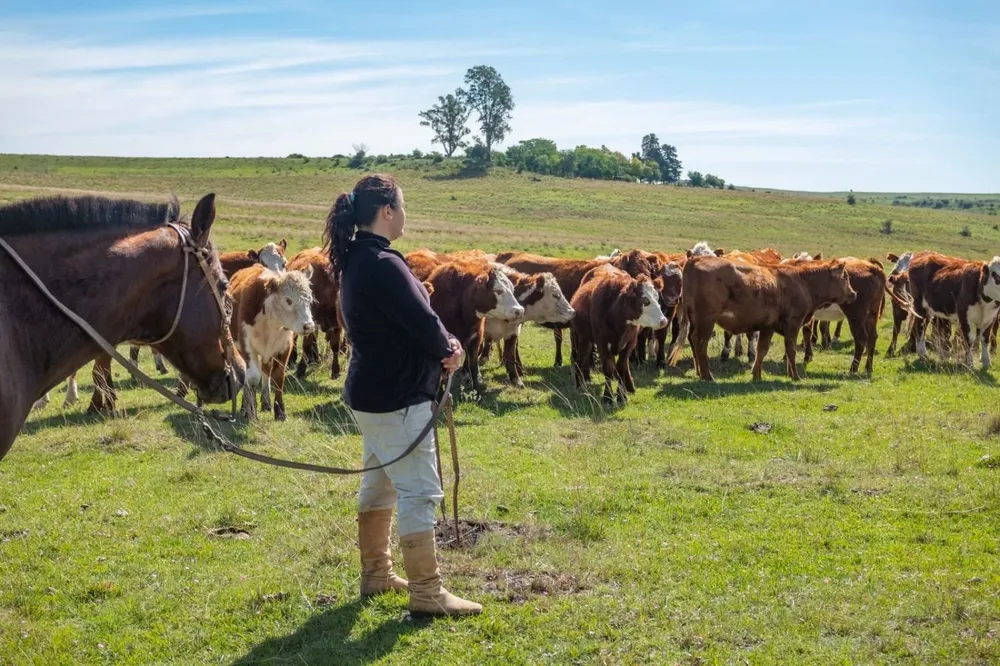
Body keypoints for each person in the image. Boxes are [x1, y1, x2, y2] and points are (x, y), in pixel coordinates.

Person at [324, 173, 481, 616]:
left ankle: (376, 574)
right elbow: (423, 321)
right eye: (403, 205)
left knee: (379, 481)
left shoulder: (356, 259)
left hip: (369, 394)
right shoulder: (384, 263)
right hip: (397, 397)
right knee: (419, 490)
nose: (406, 213)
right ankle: (428, 593)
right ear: (388, 211)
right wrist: (450, 349)